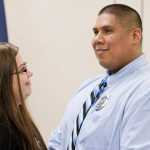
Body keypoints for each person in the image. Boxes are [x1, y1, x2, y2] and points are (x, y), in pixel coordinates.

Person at [48, 4, 150, 150]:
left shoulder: (145, 89)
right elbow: (57, 142)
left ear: (135, 36)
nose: (97, 39)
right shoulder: (88, 87)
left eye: (107, 31)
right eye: (95, 32)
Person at [0, 42, 47, 150]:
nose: (30, 74)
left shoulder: (21, 120)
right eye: (23, 70)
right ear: (5, 80)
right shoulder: (4, 134)